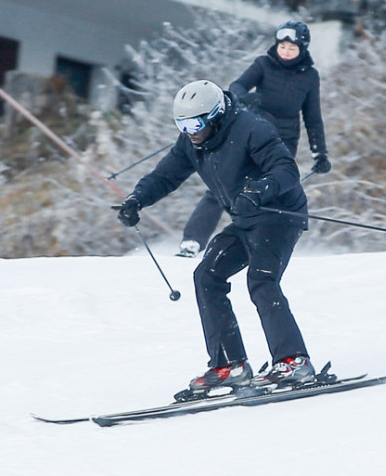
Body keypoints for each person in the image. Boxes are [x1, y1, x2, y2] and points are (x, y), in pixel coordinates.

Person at [116, 79, 316, 396]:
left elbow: (286, 171)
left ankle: (294, 362)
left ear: (215, 114)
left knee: (262, 280)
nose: (190, 131)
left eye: (195, 123)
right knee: (207, 276)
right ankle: (230, 366)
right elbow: (165, 175)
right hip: (245, 219)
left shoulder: (252, 129)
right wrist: (136, 199)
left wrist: (258, 191)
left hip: (278, 215)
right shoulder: (191, 143)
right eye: (181, 124)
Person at [178, 20, 331, 258]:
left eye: (292, 48)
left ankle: (262, 245)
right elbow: (237, 86)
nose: (286, 52)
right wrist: (245, 100)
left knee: (269, 192)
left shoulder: (310, 76)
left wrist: (319, 152)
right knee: (223, 186)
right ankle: (192, 241)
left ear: (302, 49)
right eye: (283, 47)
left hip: (283, 142)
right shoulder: (263, 64)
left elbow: (312, 116)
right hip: (248, 135)